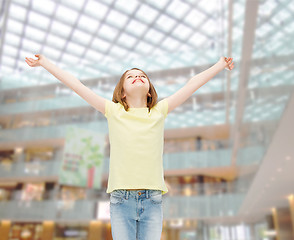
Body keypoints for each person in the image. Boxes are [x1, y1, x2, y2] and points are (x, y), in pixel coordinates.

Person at [25, 54, 234, 240]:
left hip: (153, 200)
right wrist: (44, 63)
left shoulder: (159, 111)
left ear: (150, 91)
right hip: (121, 200)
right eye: (131, 76)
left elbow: (191, 84)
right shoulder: (113, 111)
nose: (138, 77)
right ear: (122, 92)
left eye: (142, 76)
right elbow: (77, 85)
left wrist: (219, 65)